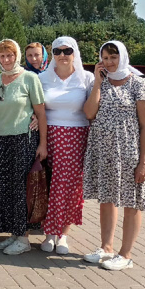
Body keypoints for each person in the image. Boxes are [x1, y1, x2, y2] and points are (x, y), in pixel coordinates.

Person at [82, 41, 145, 271]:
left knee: (131, 202)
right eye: (105, 57)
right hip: (103, 152)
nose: (109, 62)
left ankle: (126, 254)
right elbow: (89, 113)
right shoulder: (101, 82)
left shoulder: (138, 84)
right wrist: (97, 83)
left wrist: (143, 161)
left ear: (122, 57)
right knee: (107, 199)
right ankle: (106, 247)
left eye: (113, 57)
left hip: (129, 151)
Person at [0, 39, 47, 255]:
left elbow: (41, 113)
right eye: (2, 56)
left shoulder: (29, 79)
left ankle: (24, 238)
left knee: (21, 189)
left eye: (10, 55)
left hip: (23, 140)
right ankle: (13, 234)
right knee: (5, 188)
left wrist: (43, 143)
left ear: (16, 56)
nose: (6, 60)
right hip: (1, 140)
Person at [38, 37, 95, 255]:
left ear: (75, 53)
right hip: (48, 134)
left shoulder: (86, 78)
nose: (62, 55)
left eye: (67, 51)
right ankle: (49, 232)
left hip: (76, 135)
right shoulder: (43, 78)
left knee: (70, 186)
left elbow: (93, 108)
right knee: (49, 183)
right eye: (57, 51)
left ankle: (62, 234)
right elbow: (35, 105)